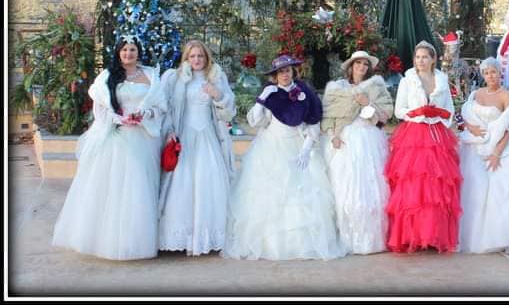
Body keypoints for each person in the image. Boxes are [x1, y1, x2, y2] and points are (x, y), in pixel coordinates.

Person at [52, 35, 166, 260]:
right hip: (117, 136)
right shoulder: (107, 76)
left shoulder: (151, 75)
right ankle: (110, 240)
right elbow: (101, 108)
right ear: (118, 53)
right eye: (124, 50)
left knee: (139, 188)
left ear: (138, 52)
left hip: (143, 137)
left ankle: (136, 240)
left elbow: (161, 107)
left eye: (132, 50)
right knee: (115, 187)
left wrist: (145, 114)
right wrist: (118, 119)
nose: (128, 54)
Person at [223, 55, 345, 260]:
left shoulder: (305, 92)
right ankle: (271, 244)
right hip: (271, 146)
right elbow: (256, 122)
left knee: (303, 192)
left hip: (298, 145)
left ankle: (301, 244)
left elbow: (313, 122)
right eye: (280, 71)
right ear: (275, 75)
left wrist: (306, 149)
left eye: (288, 70)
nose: (285, 75)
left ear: (293, 72)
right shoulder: (271, 93)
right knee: (270, 194)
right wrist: (262, 99)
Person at [157, 40, 236, 256]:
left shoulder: (216, 77)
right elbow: (166, 107)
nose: (197, 60)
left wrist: (218, 96)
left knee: (209, 180)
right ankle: (182, 236)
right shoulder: (176, 79)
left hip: (208, 136)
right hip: (185, 135)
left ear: (206, 57)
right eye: (192, 56)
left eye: (200, 56)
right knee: (182, 183)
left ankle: (209, 236)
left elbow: (228, 111)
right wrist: (169, 130)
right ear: (186, 58)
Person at [385, 40, 461, 253]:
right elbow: (399, 110)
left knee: (436, 188)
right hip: (414, 137)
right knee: (414, 186)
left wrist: (439, 114)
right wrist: (417, 112)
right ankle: (413, 236)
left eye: (425, 57)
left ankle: (433, 235)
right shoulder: (407, 80)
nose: (420, 61)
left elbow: (449, 109)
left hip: (437, 136)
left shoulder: (442, 80)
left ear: (433, 59)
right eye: (417, 57)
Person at [321, 50, 394, 254]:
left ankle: (371, 240)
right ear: (351, 67)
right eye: (358, 63)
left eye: (365, 64)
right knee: (344, 188)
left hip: (369, 139)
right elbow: (328, 115)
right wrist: (333, 135)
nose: (361, 67)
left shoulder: (376, 87)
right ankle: (347, 239)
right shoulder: (337, 89)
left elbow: (384, 116)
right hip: (344, 139)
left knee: (370, 189)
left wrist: (367, 103)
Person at [458, 57, 509, 253]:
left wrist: (497, 153)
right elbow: (465, 116)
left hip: (497, 149)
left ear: (500, 73)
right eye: (486, 73)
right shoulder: (475, 94)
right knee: (474, 190)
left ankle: (494, 237)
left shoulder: (506, 96)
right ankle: (472, 235)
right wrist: (472, 128)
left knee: (497, 192)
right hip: (475, 147)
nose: (490, 76)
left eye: (493, 72)